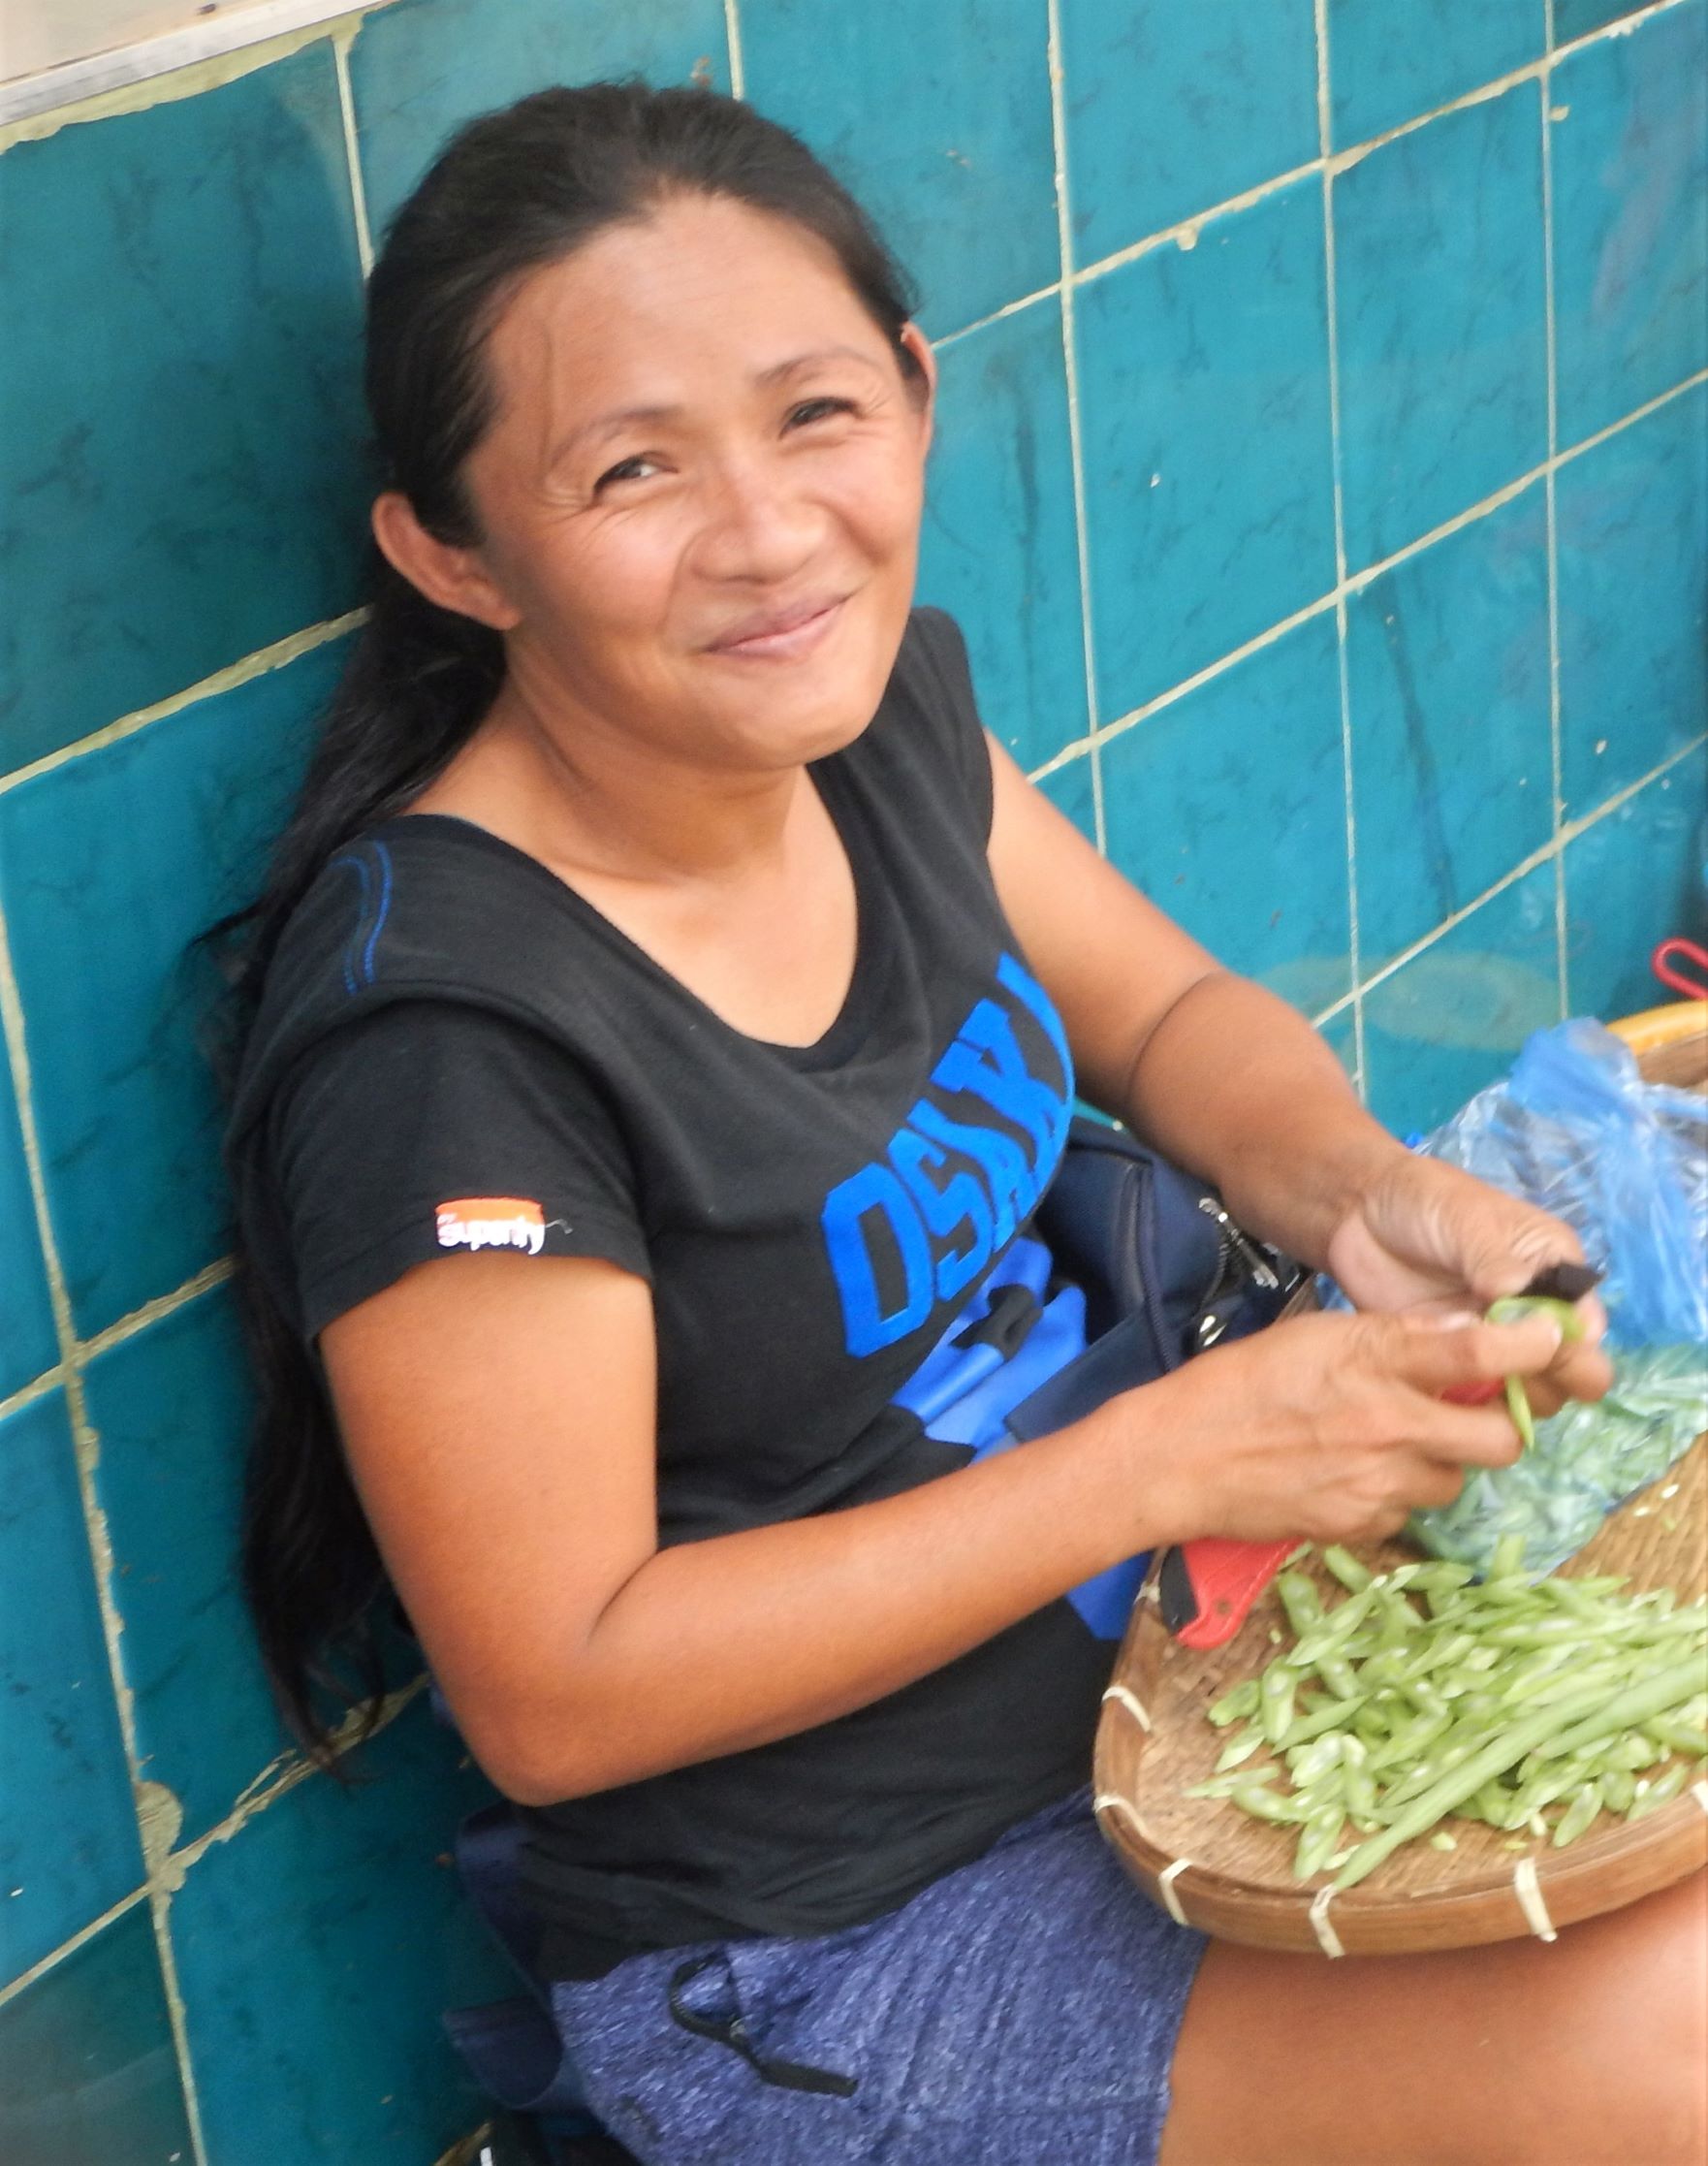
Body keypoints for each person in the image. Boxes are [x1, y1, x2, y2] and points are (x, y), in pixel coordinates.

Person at [221, 82, 1705, 2166]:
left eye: (813, 413)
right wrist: (1155, 1457)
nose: (761, 531)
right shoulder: (452, 1038)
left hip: (1178, 1700)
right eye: (631, 468)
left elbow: (1173, 1015)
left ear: (914, 399)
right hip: (834, 1939)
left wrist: (1368, 1198)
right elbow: (559, 1687)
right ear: (451, 552)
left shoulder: (865, 719)